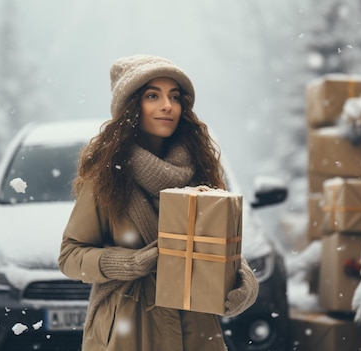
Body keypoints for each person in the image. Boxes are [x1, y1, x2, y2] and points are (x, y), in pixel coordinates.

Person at [58, 54, 259, 351]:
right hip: (130, 328)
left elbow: (219, 248)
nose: (167, 105)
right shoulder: (106, 175)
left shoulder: (200, 169)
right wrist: (129, 263)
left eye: (174, 97)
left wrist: (244, 283)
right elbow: (70, 256)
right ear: (131, 107)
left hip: (195, 328)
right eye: (153, 95)